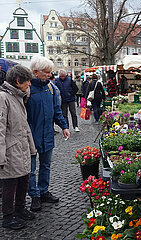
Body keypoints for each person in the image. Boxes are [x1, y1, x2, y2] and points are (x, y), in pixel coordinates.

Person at [26, 56, 70, 212]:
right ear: (36, 72)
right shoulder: (27, 90)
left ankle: (43, 191)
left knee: (46, 165)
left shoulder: (51, 88)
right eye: (47, 72)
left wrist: (64, 126)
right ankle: (35, 195)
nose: (50, 75)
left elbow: (57, 111)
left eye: (51, 72)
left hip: (48, 134)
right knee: (31, 169)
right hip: (31, 136)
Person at [0, 65, 37, 230]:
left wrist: (31, 147)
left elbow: (24, 125)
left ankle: (20, 209)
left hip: (21, 146)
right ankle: (8, 217)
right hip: (10, 148)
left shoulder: (18, 96)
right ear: (17, 81)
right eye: (27, 81)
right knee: (10, 182)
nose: (29, 84)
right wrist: (1, 156)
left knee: (24, 179)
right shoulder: (3, 98)